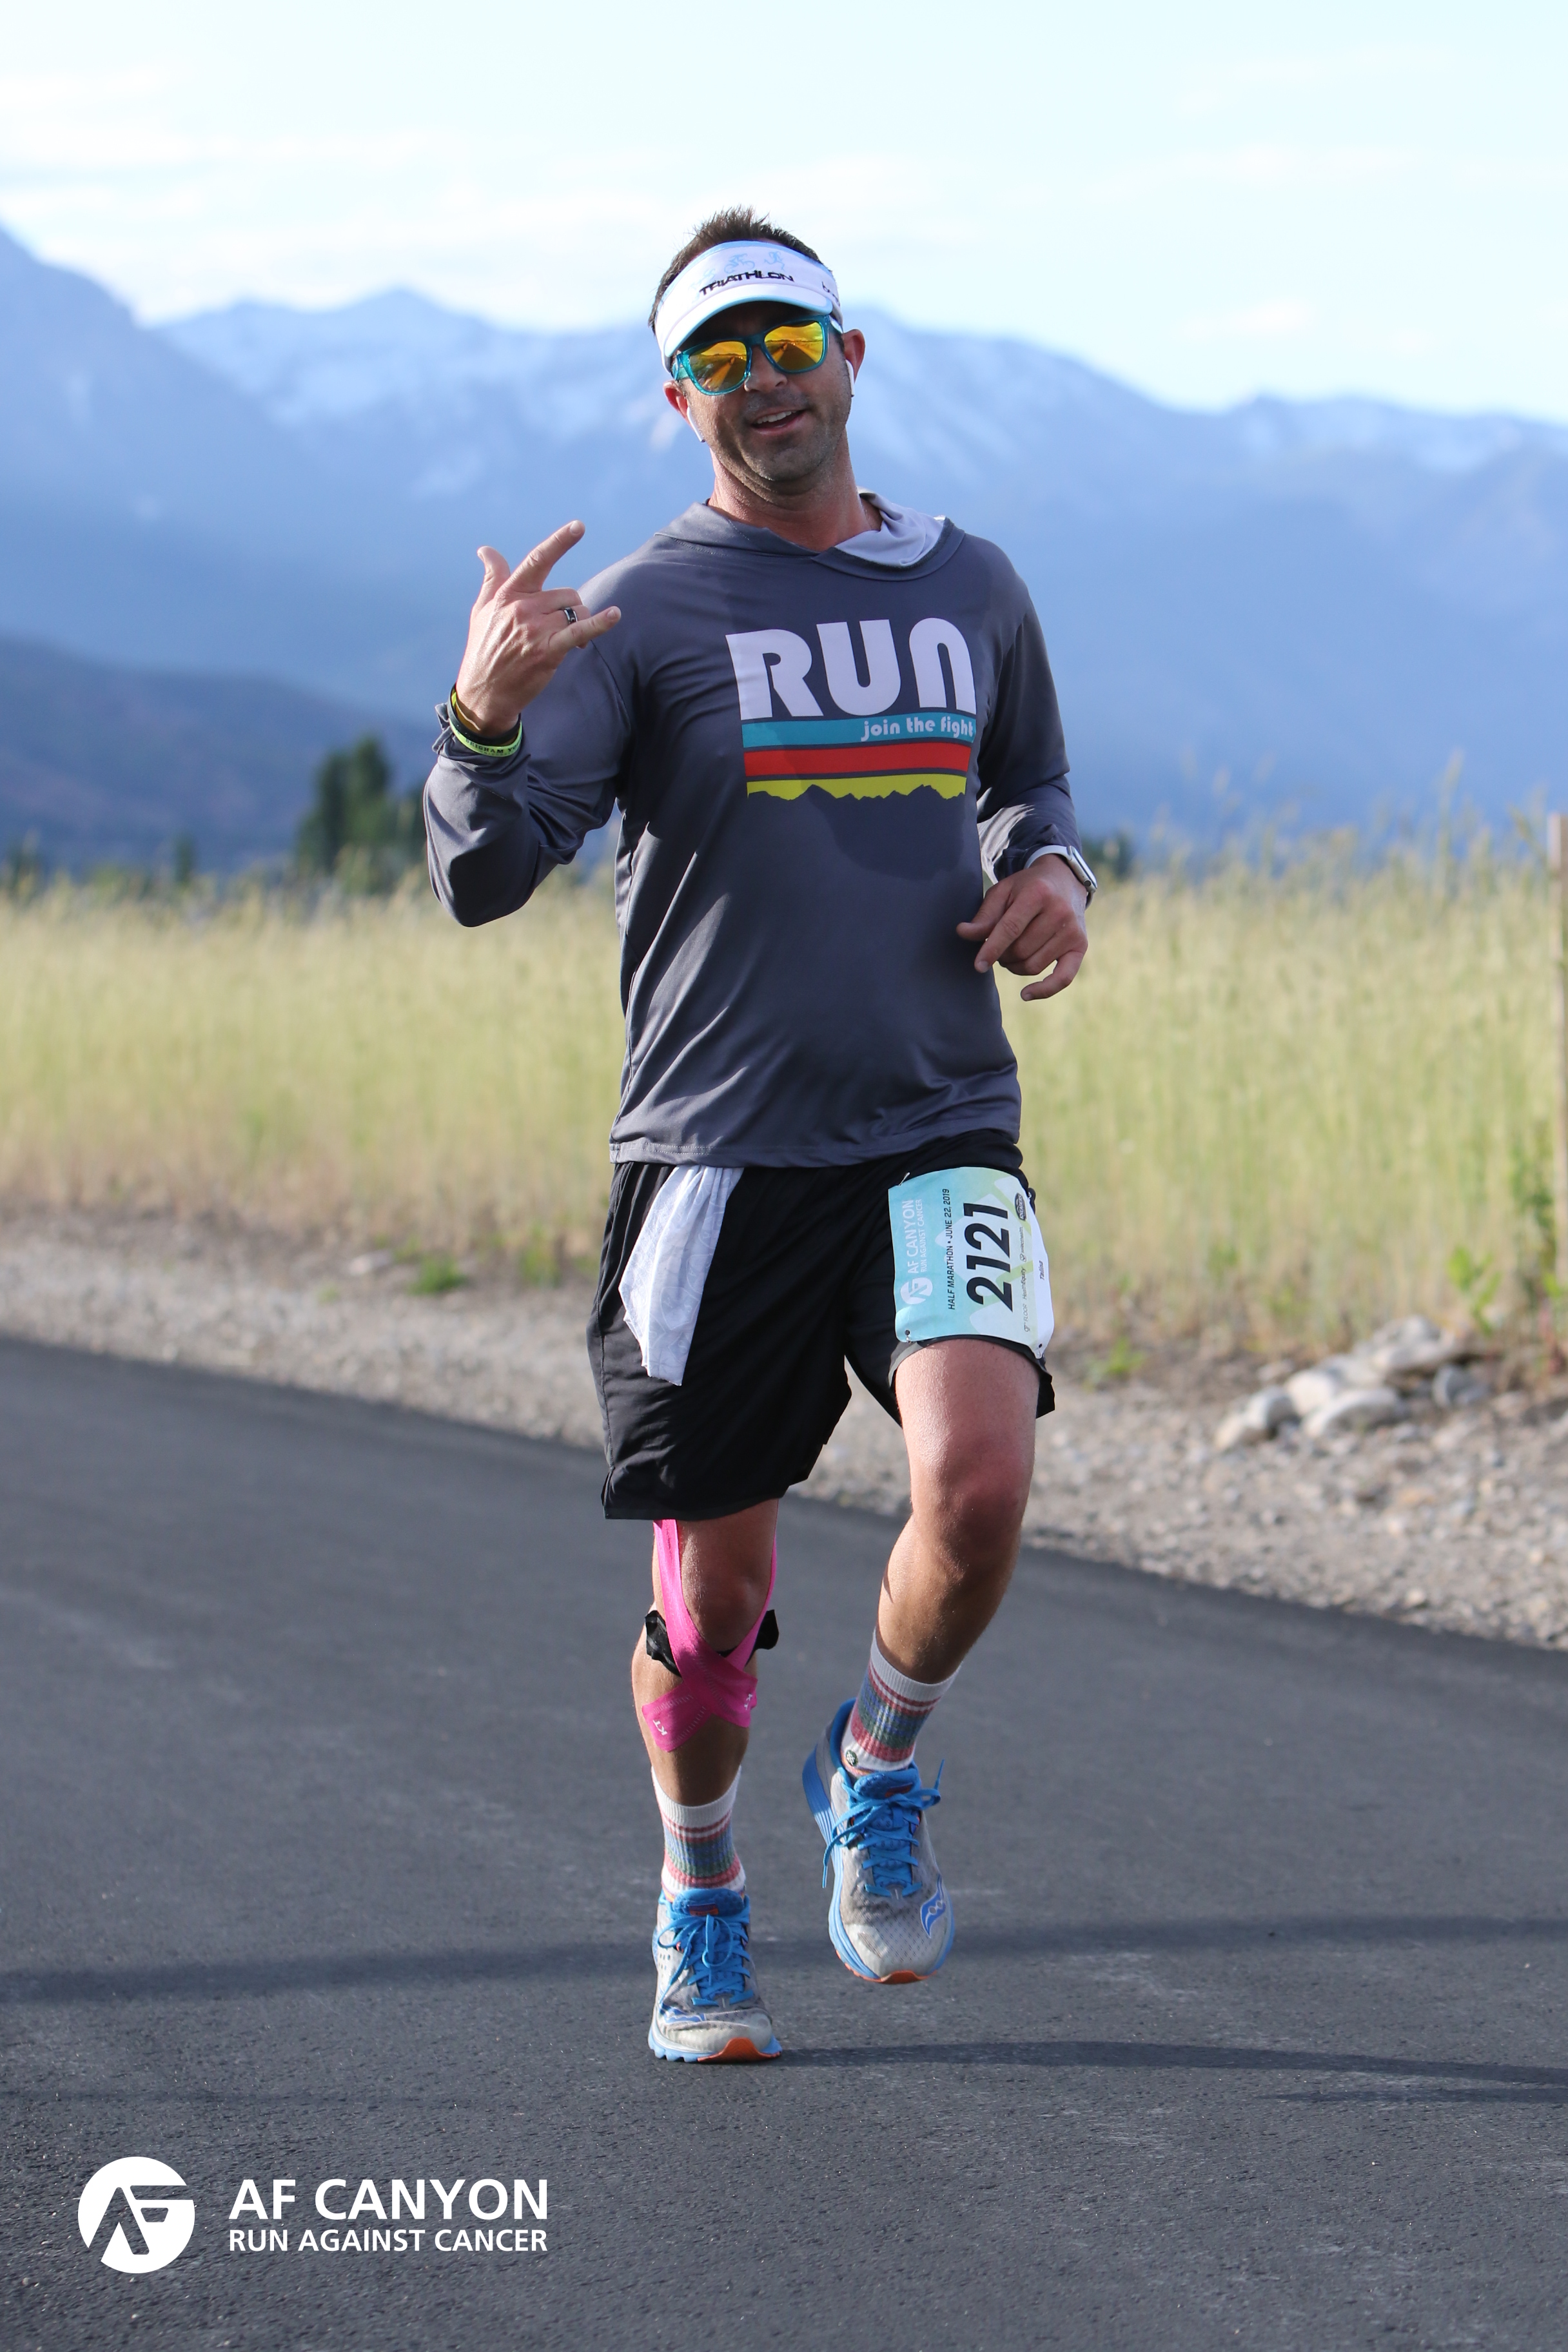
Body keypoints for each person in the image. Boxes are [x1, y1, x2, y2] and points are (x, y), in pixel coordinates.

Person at [424, 207, 1095, 2063]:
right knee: (715, 1605)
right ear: (679, 401)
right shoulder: (644, 615)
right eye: (717, 360)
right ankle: (700, 1882)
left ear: (848, 356)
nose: (762, 381)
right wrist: (481, 719)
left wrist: (1055, 870)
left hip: (939, 1123)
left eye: (786, 342)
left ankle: (873, 1762)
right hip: (717, 1161)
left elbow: (1034, 783)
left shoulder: (973, 586)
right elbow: (485, 873)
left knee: (980, 1485)